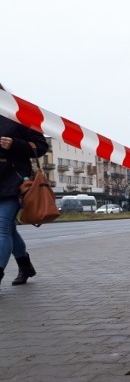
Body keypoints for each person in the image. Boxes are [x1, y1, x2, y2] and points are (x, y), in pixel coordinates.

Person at [0, 83, 48, 288]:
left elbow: (41, 145)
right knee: (9, 229)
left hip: (14, 182)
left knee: (1, 229)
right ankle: (25, 265)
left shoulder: (17, 114)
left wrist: (14, 144)